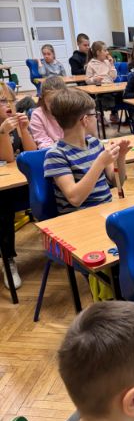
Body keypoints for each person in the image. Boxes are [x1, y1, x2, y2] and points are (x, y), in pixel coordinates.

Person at [44, 88, 129, 214]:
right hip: (79, 218)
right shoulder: (55, 155)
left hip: (105, 211)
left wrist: (120, 157)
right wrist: (100, 163)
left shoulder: (95, 144)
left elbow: (117, 182)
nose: (97, 119)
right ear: (85, 120)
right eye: (95, 115)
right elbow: (75, 199)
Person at [0, 82, 37, 289]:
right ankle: (8, 260)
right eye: (2, 101)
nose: (8, 105)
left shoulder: (13, 122)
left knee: (52, 187)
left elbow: (31, 154)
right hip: (4, 188)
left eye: (10, 100)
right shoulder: (4, 127)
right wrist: (3, 133)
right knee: (3, 206)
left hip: (20, 181)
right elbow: (7, 157)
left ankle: (61, 243)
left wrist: (24, 130)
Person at [85, 40, 120, 123]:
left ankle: (114, 113)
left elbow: (114, 77)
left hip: (111, 88)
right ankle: (100, 114)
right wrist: (94, 79)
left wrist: (112, 65)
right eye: (105, 50)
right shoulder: (91, 64)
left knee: (122, 95)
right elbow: (87, 80)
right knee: (103, 98)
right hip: (101, 90)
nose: (107, 53)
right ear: (98, 52)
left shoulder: (107, 62)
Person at [29, 75, 67, 148]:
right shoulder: (38, 115)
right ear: (43, 99)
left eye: (59, 100)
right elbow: (42, 141)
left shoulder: (72, 109)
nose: (55, 105)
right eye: (50, 101)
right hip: (52, 152)